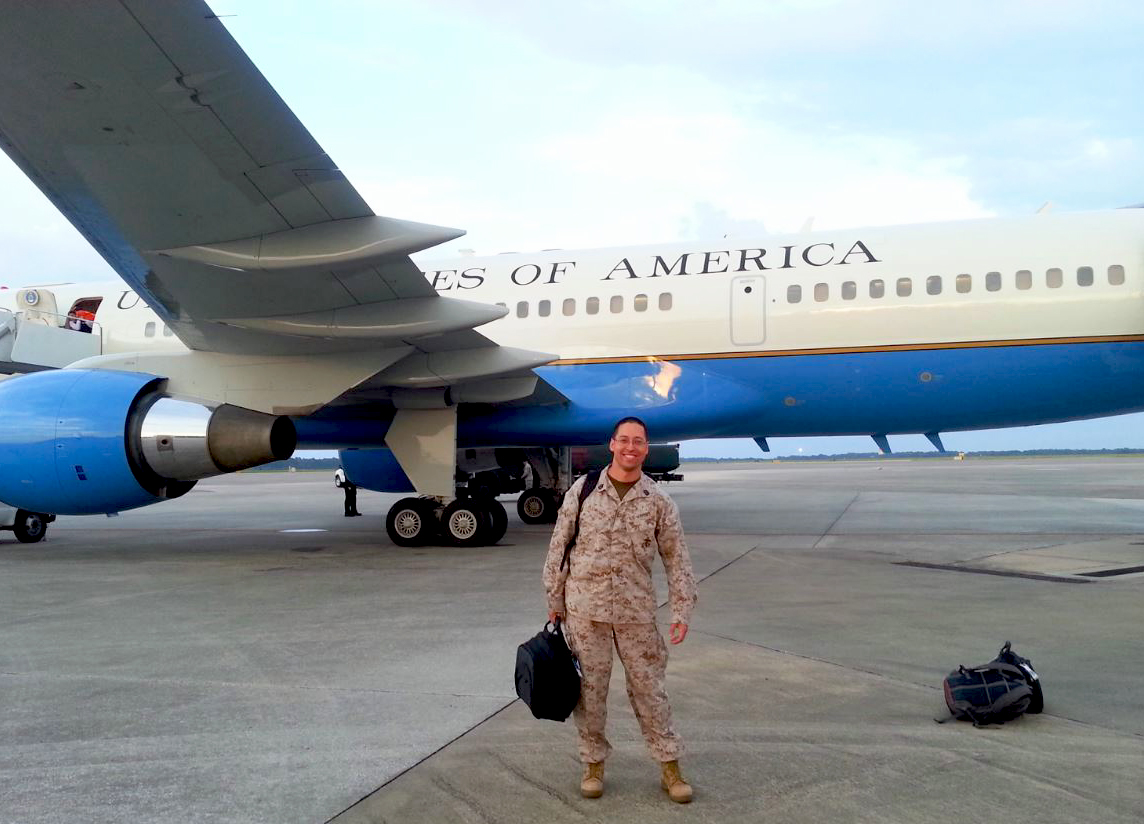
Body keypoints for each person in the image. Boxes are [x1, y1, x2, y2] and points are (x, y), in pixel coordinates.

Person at [542, 416, 697, 803]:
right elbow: (560, 547)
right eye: (624, 440)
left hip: (636, 615)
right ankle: (592, 764)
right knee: (590, 694)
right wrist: (555, 600)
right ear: (611, 444)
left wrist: (681, 610)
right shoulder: (583, 490)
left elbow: (677, 559)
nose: (631, 447)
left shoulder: (658, 501)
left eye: (638, 442)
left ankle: (670, 768)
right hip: (585, 611)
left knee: (651, 693)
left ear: (646, 449)